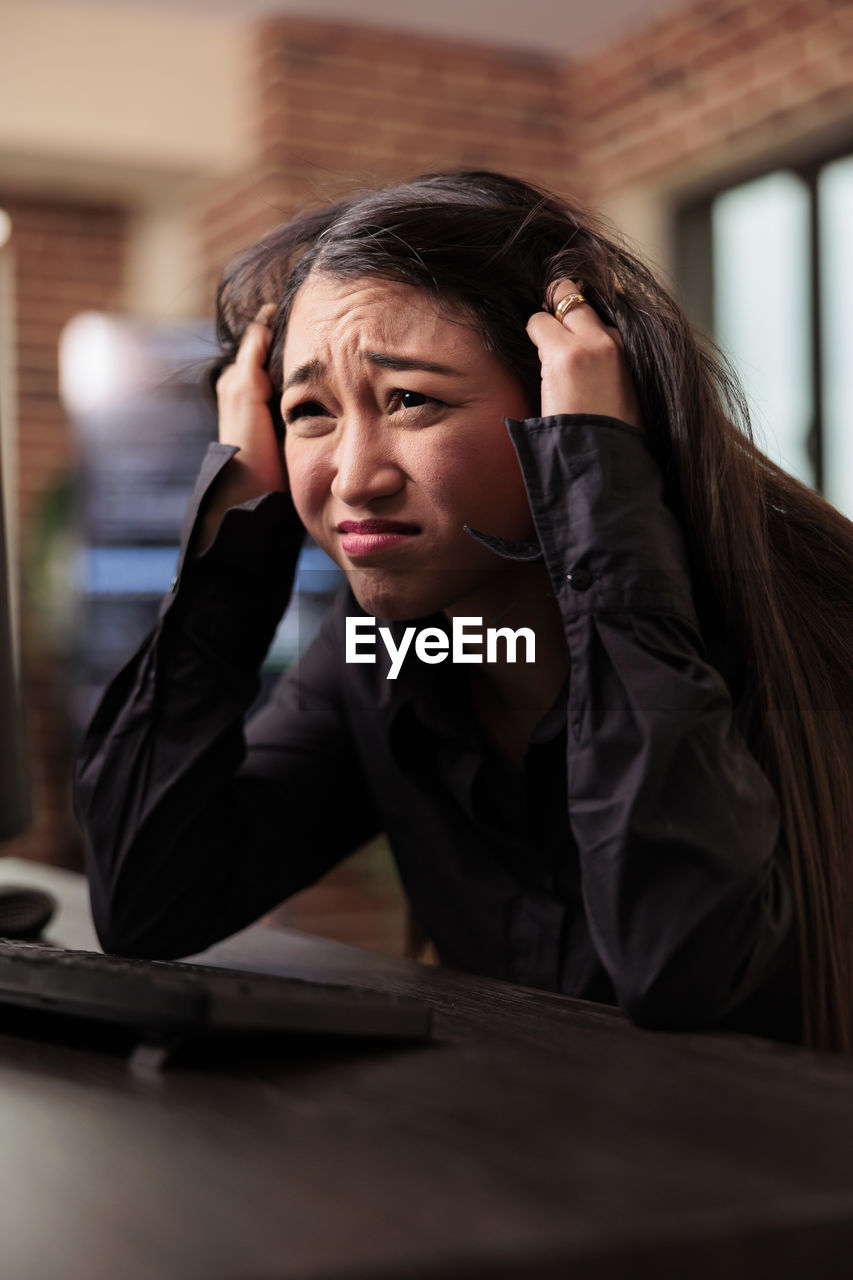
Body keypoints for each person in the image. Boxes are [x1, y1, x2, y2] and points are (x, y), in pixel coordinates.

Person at [75, 170, 853, 1052]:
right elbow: (147, 900)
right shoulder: (384, 656)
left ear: (568, 405)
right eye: (308, 413)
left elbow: (693, 980)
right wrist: (234, 528)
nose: (354, 477)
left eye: (411, 399)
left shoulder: (803, 640)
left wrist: (600, 498)